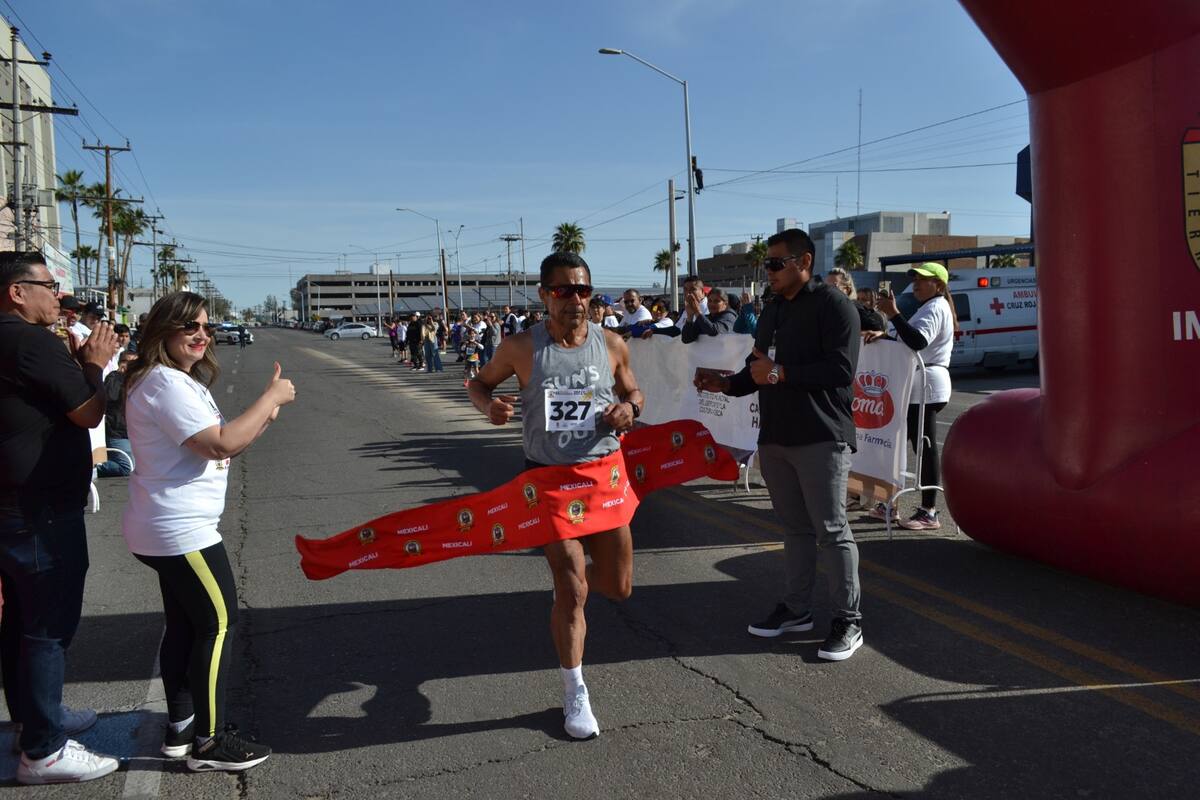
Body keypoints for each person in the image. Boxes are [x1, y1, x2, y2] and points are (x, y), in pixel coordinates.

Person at [467, 251, 644, 740]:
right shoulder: (521, 347)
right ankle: (574, 692)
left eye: (582, 290)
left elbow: (634, 393)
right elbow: (477, 384)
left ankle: (576, 581)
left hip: (604, 479)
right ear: (545, 295)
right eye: (564, 290)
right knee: (572, 590)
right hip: (549, 482)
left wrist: (628, 410)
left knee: (618, 586)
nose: (575, 300)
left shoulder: (611, 344)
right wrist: (490, 407)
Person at [122, 291, 295, 772]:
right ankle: (209, 741)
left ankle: (181, 728)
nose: (201, 335)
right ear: (163, 331)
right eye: (188, 327)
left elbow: (223, 445)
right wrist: (269, 398)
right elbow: (219, 445)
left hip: (167, 525)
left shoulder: (172, 380)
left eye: (205, 327)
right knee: (219, 625)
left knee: (186, 624)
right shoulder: (165, 385)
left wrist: (264, 417)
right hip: (181, 530)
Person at [694, 229, 863, 661]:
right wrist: (726, 384)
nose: (767, 271)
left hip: (822, 435)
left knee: (831, 530)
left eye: (775, 264)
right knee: (794, 529)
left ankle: (848, 619)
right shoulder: (771, 309)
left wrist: (781, 374)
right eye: (766, 264)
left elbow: (841, 371)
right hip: (775, 436)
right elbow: (758, 368)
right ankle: (797, 609)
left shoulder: (835, 306)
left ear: (803, 262)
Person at [0, 251, 121, 783]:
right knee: (49, 627)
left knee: (20, 626)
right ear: (16, 293)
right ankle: (45, 750)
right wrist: (94, 363)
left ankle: (33, 722)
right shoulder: (28, 341)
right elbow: (88, 411)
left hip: (13, 503)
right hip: (40, 510)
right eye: (48, 286)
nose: (58, 296)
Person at [870, 263, 957, 530]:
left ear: (939, 285)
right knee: (906, 444)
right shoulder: (928, 307)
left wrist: (894, 314)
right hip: (919, 384)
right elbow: (907, 338)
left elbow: (918, 341)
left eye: (924, 279)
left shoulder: (935, 307)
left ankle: (929, 511)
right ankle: (892, 503)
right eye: (915, 279)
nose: (917, 283)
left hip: (927, 385)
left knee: (925, 446)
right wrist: (885, 334)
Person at [96, 350, 137, 477]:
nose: (129, 365)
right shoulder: (113, 377)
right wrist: (120, 376)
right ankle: (94, 466)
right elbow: (111, 395)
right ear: (120, 363)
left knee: (138, 466)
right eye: (126, 361)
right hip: (117, 431)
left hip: (135, 432)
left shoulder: (141, 379)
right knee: (127, 467)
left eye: (133, 362)